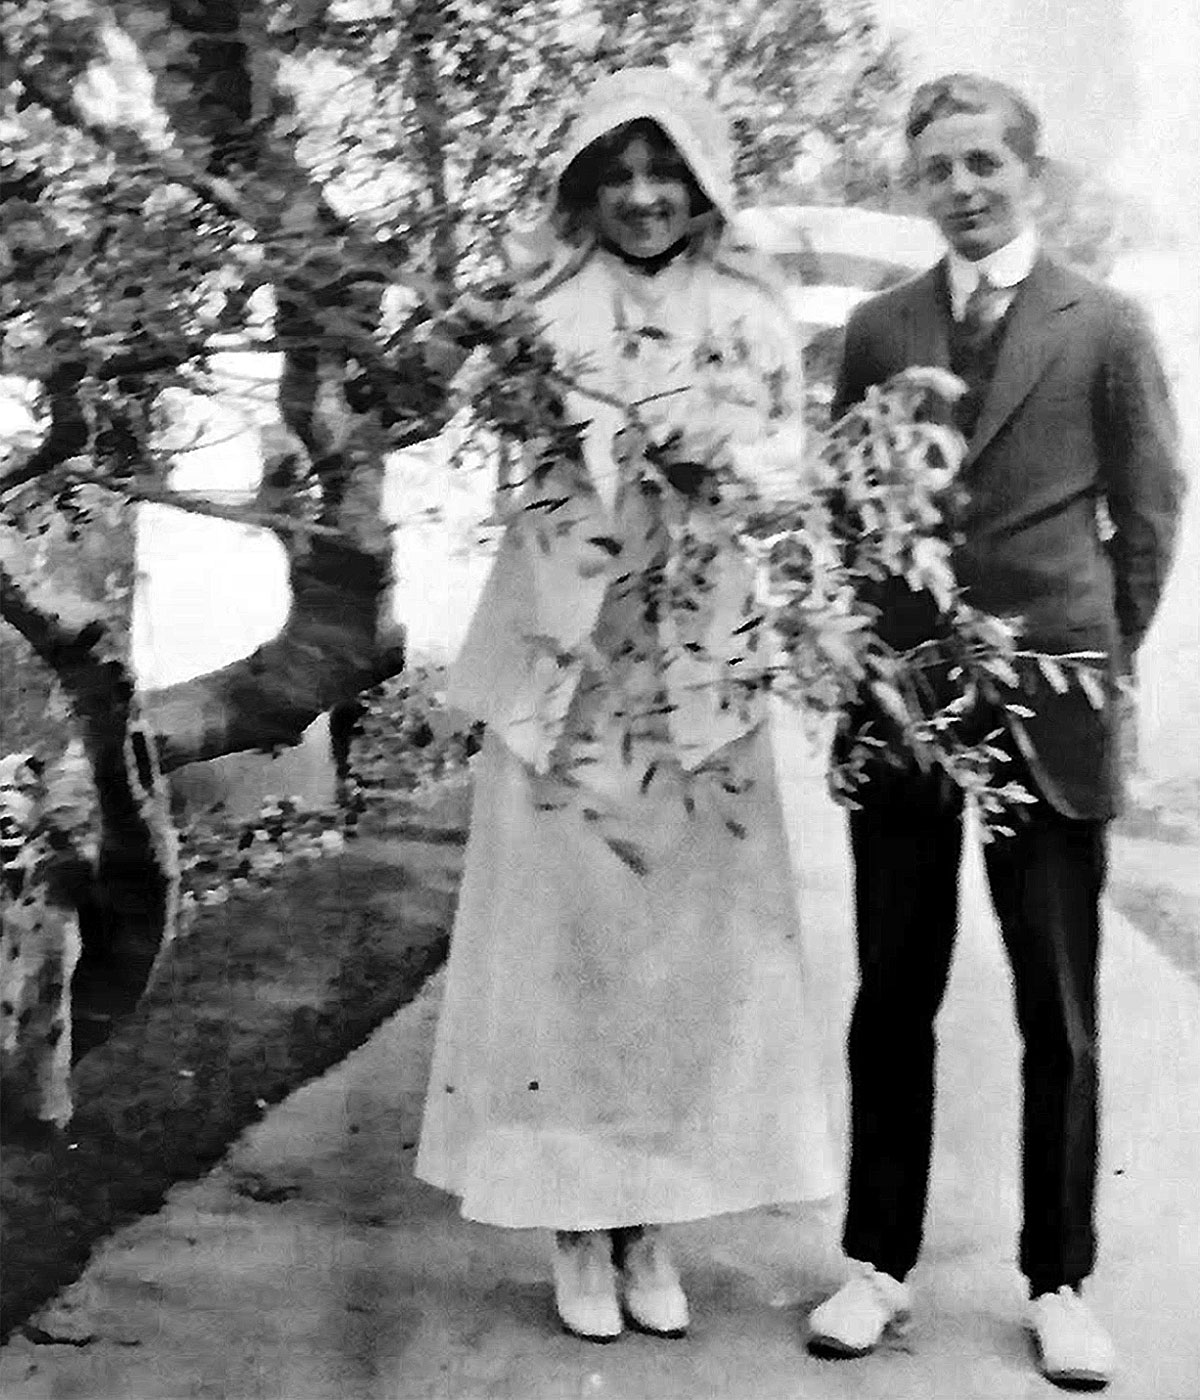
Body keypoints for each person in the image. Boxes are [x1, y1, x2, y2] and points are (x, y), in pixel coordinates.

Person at [415, 66, 838, 1344]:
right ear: (585, 189)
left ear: (700, 184)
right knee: (566, 953)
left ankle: (648, 1222)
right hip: (567, 668)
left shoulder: (750, 310)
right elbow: (435, 391)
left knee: (679, 962)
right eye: (619, 174)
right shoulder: (538, 302)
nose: (644, 198)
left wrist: (728, 457)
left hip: (697, 669)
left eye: (666, 173)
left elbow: (791, 465)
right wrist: (463, 341)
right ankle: (572, 1226)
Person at [805, 74, 1186, 1389]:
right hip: (905, 706)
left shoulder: (1107, 326)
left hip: (1050, 711)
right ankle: (875, 1264)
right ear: (915, 185)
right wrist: (875, 661)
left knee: (1056, 1013)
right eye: (939, 169)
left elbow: (1146, 526)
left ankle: (1060, 1278)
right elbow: (848, 518)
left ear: (1032, 171)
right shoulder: (876, 326)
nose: (963, 188)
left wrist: (1086, 665)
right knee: (890, 996)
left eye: (985, 163)